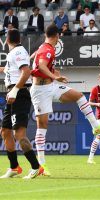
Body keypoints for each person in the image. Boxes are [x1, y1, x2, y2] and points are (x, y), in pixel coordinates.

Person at [30, 24, 100, 176]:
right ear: (57, 36)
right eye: (59, 35)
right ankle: (41, 165)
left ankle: (96, 127)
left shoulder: (44, 47)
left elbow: (40, 64)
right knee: (42, 127)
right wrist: (55, 76)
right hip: (40, 91)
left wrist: (54, 76)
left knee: (79, 96)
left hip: (51, 86)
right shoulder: (47, 49)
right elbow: (41, 66)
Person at [0, 29, 43, 179]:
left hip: (19, 94)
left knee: (19, 134)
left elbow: (26, 72)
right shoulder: (14, 53)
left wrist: (15, 90)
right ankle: (14, 167)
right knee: (5, 131)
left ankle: (36, 167)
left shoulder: (18, 52)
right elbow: (7, 70)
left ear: (7, 39)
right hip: (12, 94)